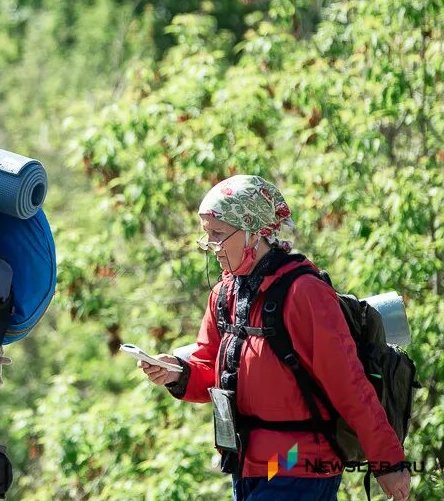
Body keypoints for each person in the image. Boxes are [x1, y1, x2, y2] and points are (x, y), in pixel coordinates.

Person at [138, 175, 412, 501]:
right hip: (250, 464)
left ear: (254, 233)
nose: (209, 245)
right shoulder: (224, 294)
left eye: (218, 235)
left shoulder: (305, 293)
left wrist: (387, 460)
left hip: (301, 460)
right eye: (206, 234)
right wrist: (177, 372)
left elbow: (348, 384)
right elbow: (211, 369)